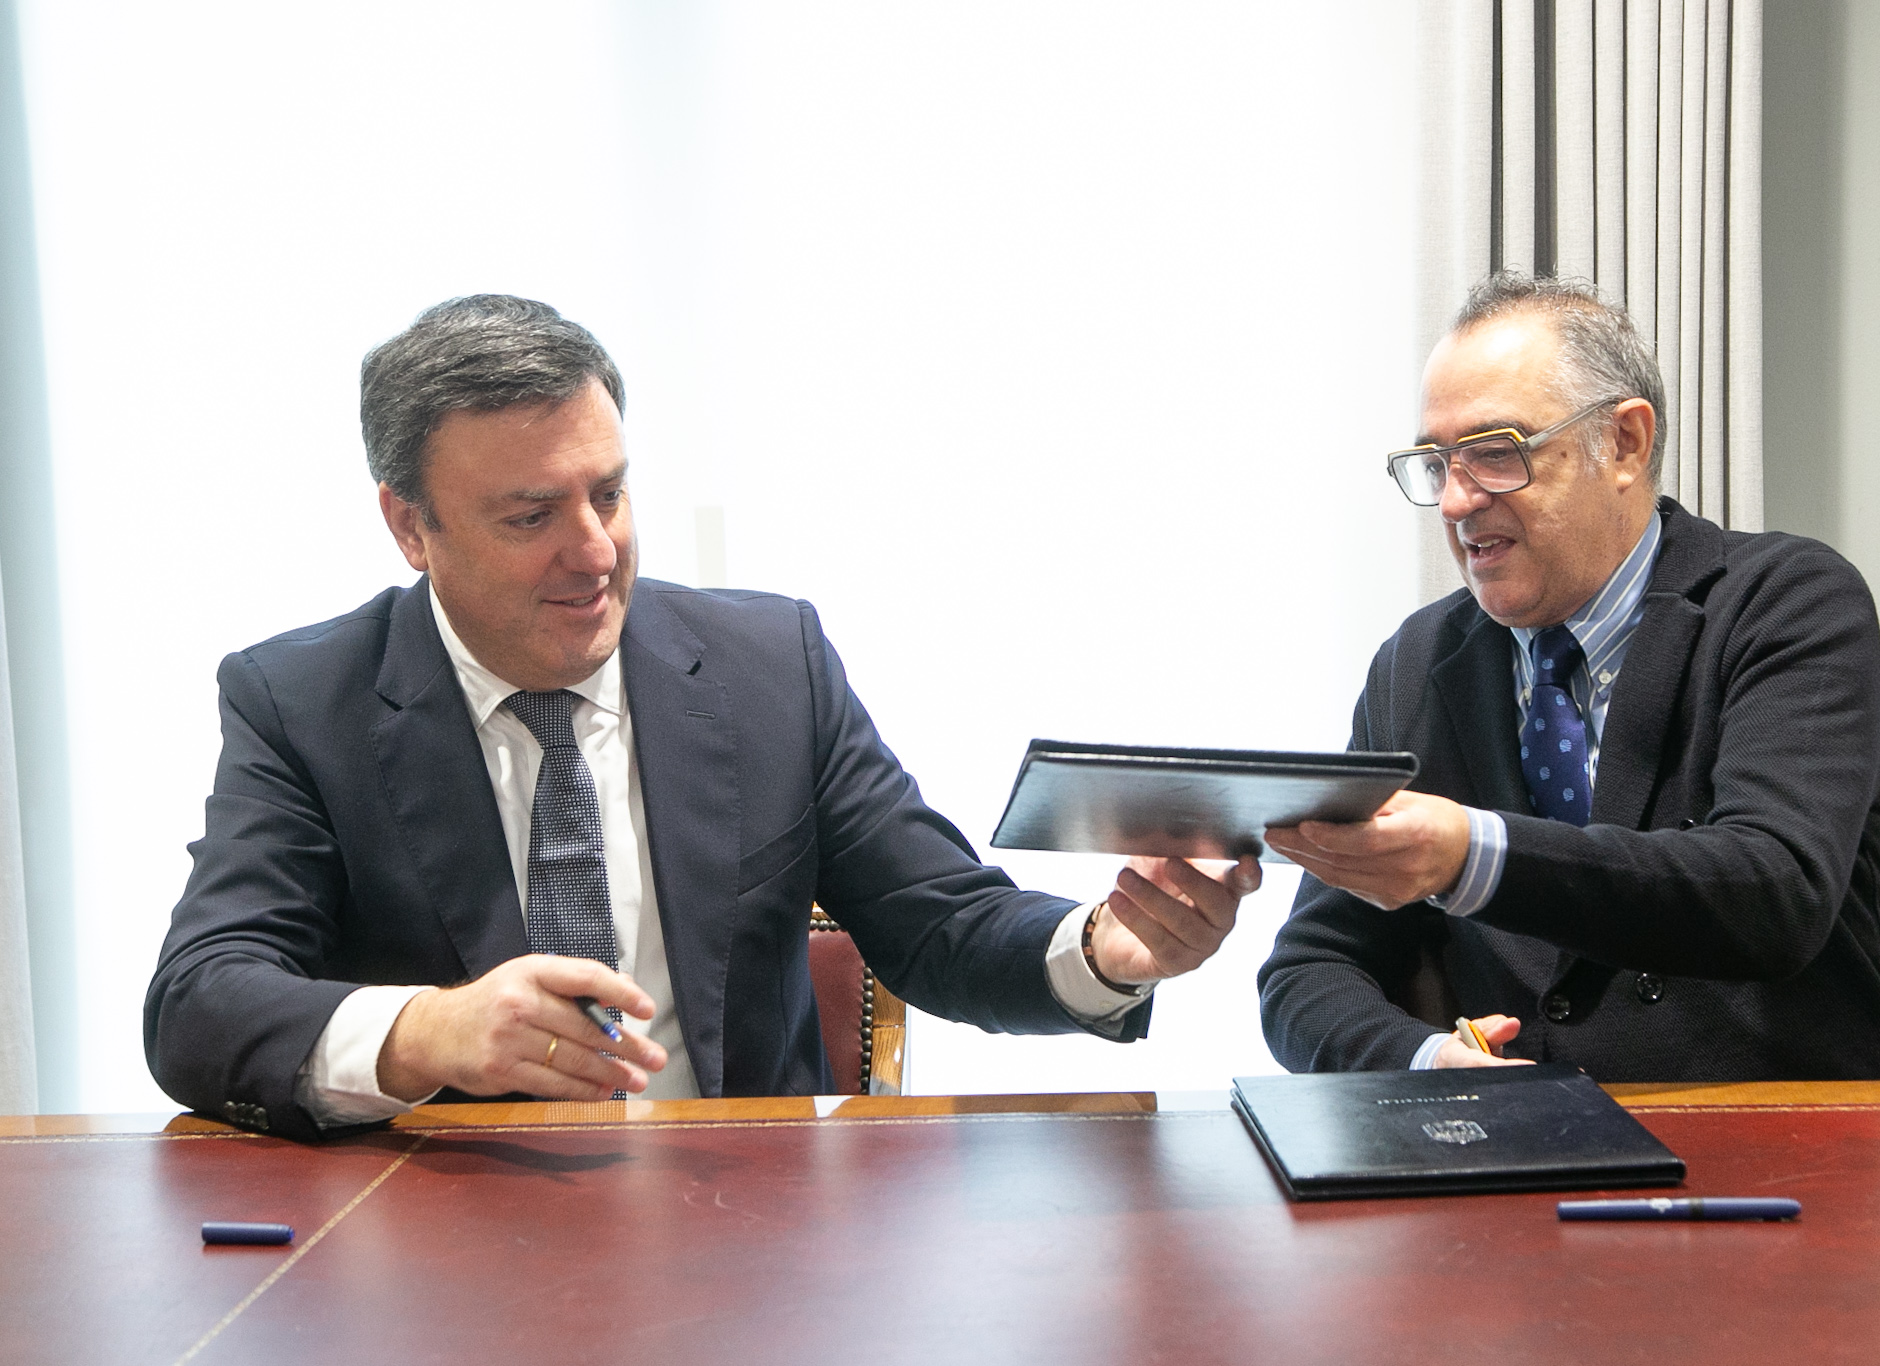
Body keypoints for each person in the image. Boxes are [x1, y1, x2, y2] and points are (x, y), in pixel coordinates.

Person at [146, 295, 1258, 1140]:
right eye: (532, 516)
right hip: (445, 1238)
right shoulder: (304, 703)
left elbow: (940, 925)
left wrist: (1104, 951)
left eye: (609, 494)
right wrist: (425, 1031)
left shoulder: (768, 666)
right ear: (409, 527)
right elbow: (199, 1001)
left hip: (742, 1226)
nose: (595, 551)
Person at [1257, 273, 1880, 1080]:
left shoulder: (1787, 600)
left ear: (1625, 444)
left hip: (1783, 1132)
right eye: (1437, 463)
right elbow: (1309, 972)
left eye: (1495, 454)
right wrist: (1426, 1063)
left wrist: (1473, 856)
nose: (1456, 502)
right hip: (1527, 1140)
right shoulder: (1417, 664)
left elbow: (1775, 890)